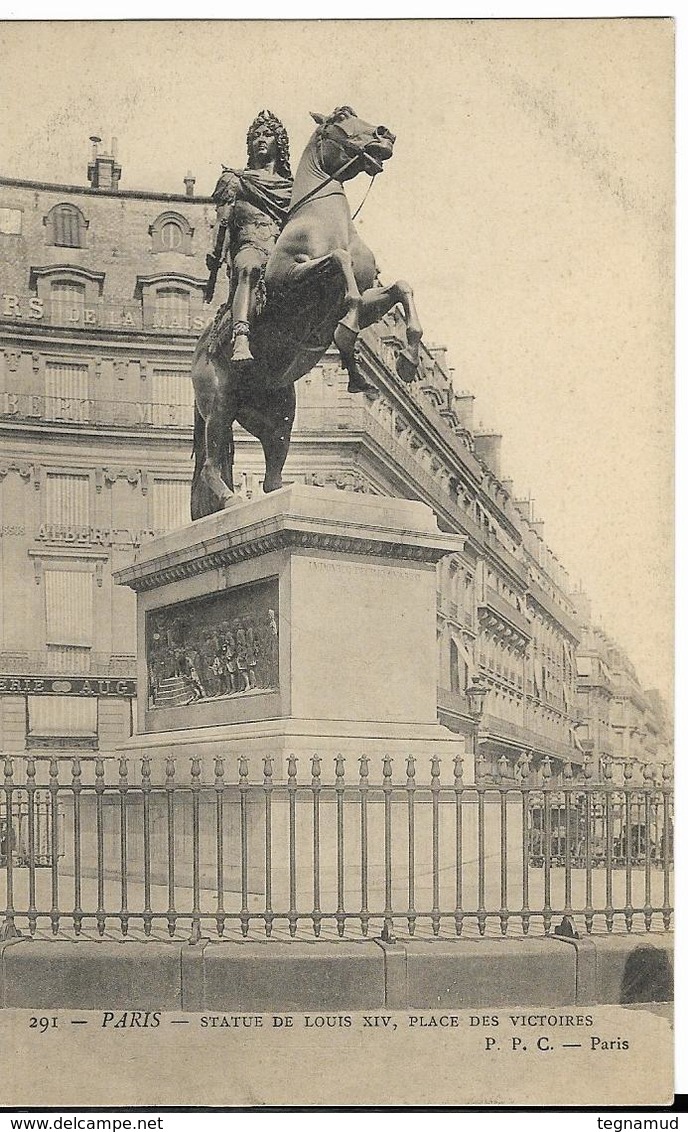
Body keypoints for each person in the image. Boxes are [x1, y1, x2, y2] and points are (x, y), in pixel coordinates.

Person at [206, 110, 293, 364]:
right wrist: (216, 254)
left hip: (281, 252)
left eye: (268, 134)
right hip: (249, 244)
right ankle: (241, 336)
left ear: (279, 143)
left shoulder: (291, 187)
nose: (261, 140)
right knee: (249, 266)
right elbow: (222, 222)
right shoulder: (234, 180)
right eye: (256, 136)